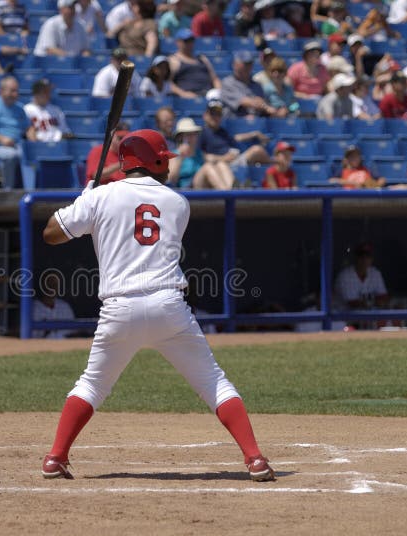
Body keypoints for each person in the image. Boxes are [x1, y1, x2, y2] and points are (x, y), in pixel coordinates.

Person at [39, 129, 276, 482]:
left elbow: (50, 234)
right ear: (153, 161)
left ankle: (55, 458)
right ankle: (255, 458)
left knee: (91, 384)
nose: (168, 164)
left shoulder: (102, 196)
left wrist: (82, 202)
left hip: (118, 309)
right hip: (169, 307)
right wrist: (93, 200)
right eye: (163, 158)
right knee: (213, 383)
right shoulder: (179, 203)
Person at [0, 76, 35, 189]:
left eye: (16, 91)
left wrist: (33, 138)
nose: (15, 94)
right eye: (12, 91)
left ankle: (33, 189)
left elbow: (28, 128)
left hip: (19, 146)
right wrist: (2, 139)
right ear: (2, 91)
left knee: (34, 153)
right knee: (11, 155)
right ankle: (8, 190)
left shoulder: (20, 108)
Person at [200, 98, 270, 170]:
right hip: (220, 165)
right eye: (212, 113)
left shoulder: (222, 131)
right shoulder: (201, 133)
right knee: (257, 150)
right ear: (205, 115)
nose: (216, 117)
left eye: (218, 114)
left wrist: (254, 134)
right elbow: (201, 157)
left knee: (258, 153)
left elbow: (235, 138)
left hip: (234, 161)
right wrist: (223, 158)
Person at [170, 117, 235, 189]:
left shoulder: (200, 153)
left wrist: (226, 157)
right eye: (188, 134)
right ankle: (227, 195)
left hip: (201, 185)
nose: (192, 137)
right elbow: (172, 180)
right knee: (207, 167)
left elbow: (212, 158)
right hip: (186, 189)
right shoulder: (174, 155)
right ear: (180, 137)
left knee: (221, 164)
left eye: (194, 134)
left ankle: (232, 191)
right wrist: (180, 157)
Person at [333, 242, 389, 312]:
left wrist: (378, 302)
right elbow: (352, 303)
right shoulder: (345, 276)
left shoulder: (375, 273)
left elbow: (384, 296)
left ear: (372, 258)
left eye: (368, 256)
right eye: (361, 255)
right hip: (343, 317)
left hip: (366, 316)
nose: (364, 259)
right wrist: (375, 302)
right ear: (355, 257)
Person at [168, 28, 221, 98]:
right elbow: (168, 83)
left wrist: (219, 90)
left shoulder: (202, 58)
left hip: (209, 94)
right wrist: (183, 93)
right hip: (188, 96)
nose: (190, 43)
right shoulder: (173, 60)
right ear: (178, 42)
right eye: (186, 41)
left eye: (191, 40)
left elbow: (215, 79)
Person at [221, 50, 276, 117]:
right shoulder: (228, 83)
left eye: (249, 64)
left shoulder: (257, 85)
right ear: (235, 65)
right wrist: (262, 105)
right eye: (244, 64)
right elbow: (244, 101)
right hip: (235, 123)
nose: (247, 67)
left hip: (256, 123)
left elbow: (263, 104)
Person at [24, 78, 72, 143]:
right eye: (44, 91)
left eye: (48, 91)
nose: (48, 94)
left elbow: (65, 132)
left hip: (57, 147)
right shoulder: (27, 110)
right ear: (35, 93)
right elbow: (27, 134)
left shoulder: (56, 110)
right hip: (38, 146)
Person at [32, 272, 76, 339]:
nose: (52, 287)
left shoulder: (64, 306)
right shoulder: (32, 308)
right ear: (42, 285)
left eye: (55, 285)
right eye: (49, 284)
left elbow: (73, 332)